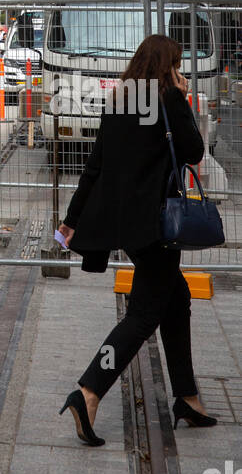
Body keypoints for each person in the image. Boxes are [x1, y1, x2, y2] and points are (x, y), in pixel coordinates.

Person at [57, 34, 217, 446]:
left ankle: (187, 397)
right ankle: (89, 391)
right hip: (159, 227)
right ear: (166, 68)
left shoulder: (121, 101)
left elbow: (94, 166)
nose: (180, 74)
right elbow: (195, 151)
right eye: (177, 66)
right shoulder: (168, 100)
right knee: (143, 316)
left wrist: (71, 220)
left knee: (176, 298)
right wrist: (184, 100)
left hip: (129, 227)